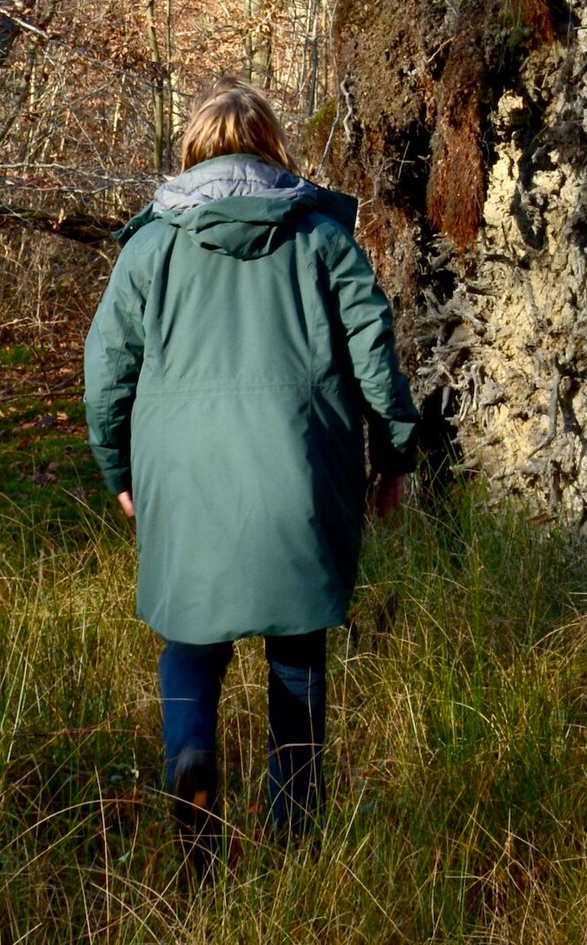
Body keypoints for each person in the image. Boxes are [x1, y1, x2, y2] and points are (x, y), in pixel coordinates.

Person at [84, 82, 416, 881]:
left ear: (195, 149)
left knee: (191, 643)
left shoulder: (150, 246)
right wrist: (396, 453)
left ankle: (194, 770)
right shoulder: (324, 240)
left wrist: (119, 471)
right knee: (297, 651)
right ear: (272, 147)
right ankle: (294, 836)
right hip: (300, 472)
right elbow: (375, 353)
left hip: (184, 479)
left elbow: (105, 376)